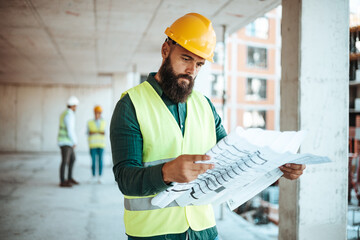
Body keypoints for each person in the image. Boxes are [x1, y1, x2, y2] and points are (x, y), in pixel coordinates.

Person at [110, 13, 306, 240]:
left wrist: (276, 168)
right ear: (165, 50)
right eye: (185, 58)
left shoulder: (205, 106)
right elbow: (125, 178)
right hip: (153, 234)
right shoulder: (131, 105)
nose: (192, 70)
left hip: (204, 232)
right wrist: (166, 173)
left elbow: (233, 162)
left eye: (199, 64)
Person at [57, 96, 80, 188]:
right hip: (66, 142)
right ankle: (63, 181)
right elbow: (70, 129)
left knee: (72, 159)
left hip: (66, 141)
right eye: (76, 106)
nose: (76, 108)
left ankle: (69, 178)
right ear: (73, 106)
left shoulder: (65, 113)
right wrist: (75, 141)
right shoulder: (69, 114)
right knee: (65, 161)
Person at [87, 105, 106, 183]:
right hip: (93, 145)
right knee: (93, 161)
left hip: (101, 145)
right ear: (94, 113)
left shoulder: (103, 122)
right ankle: (93, 176)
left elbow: (104, 132)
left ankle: (100, 177)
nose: (97, 114)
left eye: (99, 113)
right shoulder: (90, 122)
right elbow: (89, 132)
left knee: (100, 161)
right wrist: (98, 132)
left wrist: (94, 132)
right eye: (96, 113)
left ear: (100, 113)